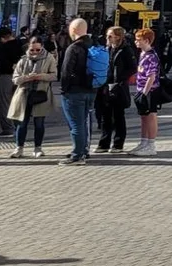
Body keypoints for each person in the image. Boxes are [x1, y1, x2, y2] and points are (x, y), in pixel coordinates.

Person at [8, 35, 56, 158]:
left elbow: (54, 76)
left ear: (42, 47)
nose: (34, 52)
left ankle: (38, 148)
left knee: (39, 122)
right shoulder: (23, 59)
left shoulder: (49, 58)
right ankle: (19, 148)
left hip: (40, 94)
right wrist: (26, 78)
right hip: (24, 93)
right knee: (21, 123)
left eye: (37, 50)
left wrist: (41, 76)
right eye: (32, 50)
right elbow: (15, 79)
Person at [57, 19, 96, 165]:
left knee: (76, 124)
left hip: (74, 91)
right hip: (91, 89)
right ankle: (83, 150)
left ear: (73, 30)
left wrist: (64, 88)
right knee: (84, 122)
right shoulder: (93, 45)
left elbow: (66, 71)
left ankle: (77, 155)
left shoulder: (74, 48)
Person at [95, 26, 135, 154]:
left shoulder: (125, 50)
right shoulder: (107, 49)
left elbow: (132, 68)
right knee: (105, 116)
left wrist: (121, 79)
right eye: (107, 35)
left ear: (118, 37)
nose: (107, 38)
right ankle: (104, 143)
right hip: (105, 85)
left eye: (110, 36)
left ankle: (118, 144)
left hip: (118, 87)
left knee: (118, 116)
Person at [130, 28, 162, 156]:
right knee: (144, 116)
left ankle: (151, 144)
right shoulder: (142, 54)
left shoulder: (151, 56)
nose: (136, 42)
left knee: (151, 115)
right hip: (141, 88)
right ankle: (143, 142)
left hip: (150, 90)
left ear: (147, 41)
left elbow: (151, 76)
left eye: (139, 40)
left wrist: (145, 93)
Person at [0, 27, 22, 136]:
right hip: (20, 77)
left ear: (2, 38)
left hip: (6, 76)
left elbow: (2, 64)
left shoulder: (3, 47)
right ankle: (19, 127)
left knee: (4, 103)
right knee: (17, 102)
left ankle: (8, 128)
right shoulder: (21, 44)